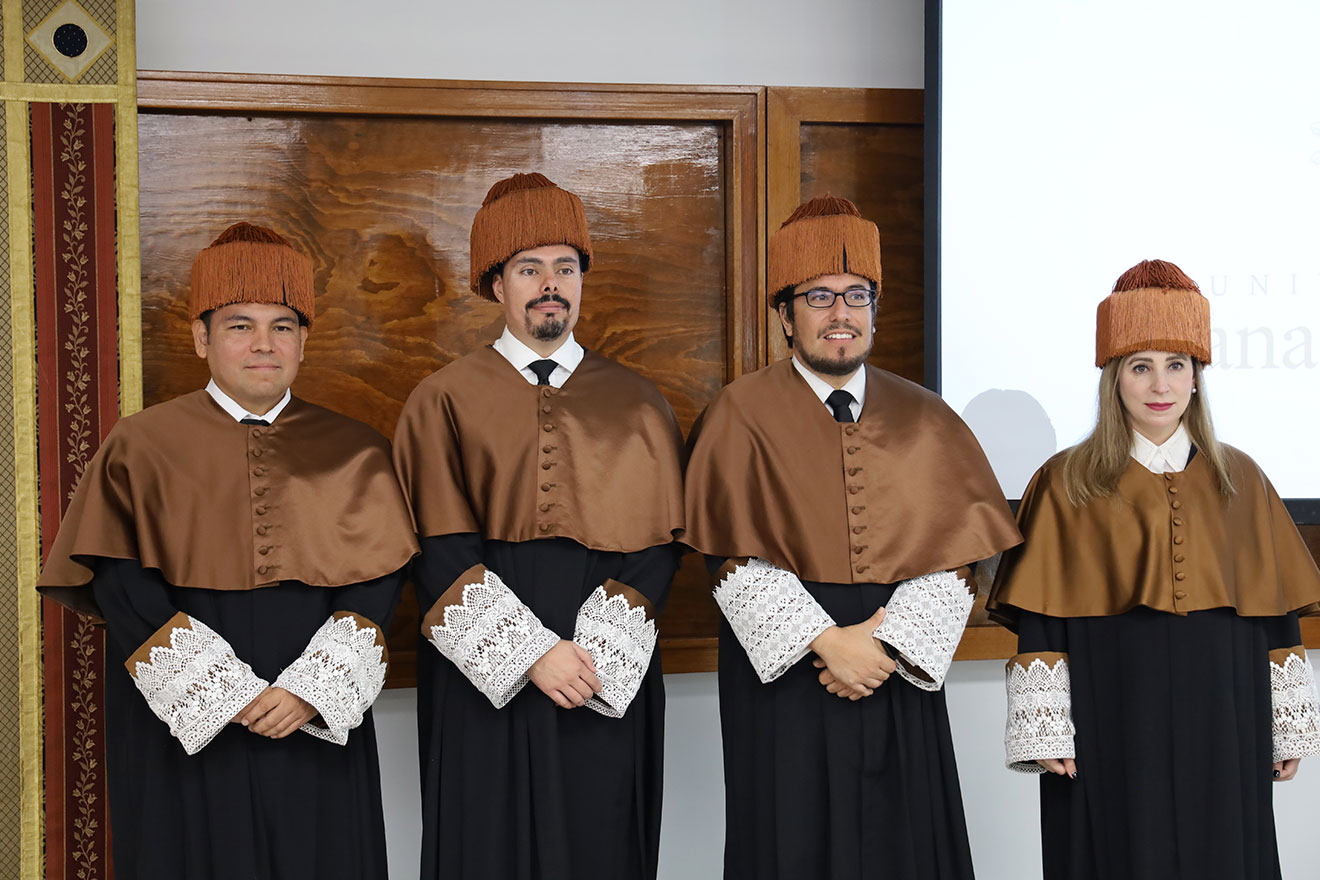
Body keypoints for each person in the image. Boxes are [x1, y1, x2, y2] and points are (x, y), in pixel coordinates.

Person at [37, 222, 419, 880]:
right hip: (183, 726)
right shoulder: (141, 446)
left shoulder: (358, 449)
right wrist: (226, 694)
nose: (264, 344)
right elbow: (121, 585)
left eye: (282, 326)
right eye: (241, 326)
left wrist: (310, 690)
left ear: (303, 341)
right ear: (201, 338)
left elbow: (377, 583)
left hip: (312, 715)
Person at [683, 194, 1022, 880]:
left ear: (874, 308)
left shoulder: (927, 417)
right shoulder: (738, 413)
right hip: (786, 681)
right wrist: (829, 643)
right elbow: (728, 555)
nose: (841, 313)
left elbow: (958, 557)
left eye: (856, 296)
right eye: (819, 297)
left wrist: (882, 646)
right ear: (785, 315)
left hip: (895, 669)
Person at [987, 259, 1320, 880]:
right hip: (1108, 708)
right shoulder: (1065, 480)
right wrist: (1046, 730)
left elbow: (1275, 612)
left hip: (1226, 711)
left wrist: (1287, 726)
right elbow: (1041, 619)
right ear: (1114, 378)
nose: (1160, 384)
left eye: (1177, 365)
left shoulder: (1242, 477)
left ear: (1197, 377)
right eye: (1140, 367)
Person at [393, 172, 685, 880]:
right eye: (529, 269)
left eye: (565, 267)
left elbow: (658, 548)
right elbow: (435, 550)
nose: (550, 284)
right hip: (481, 680)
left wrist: (589, 656)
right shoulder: (441, 400)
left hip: (602, 668)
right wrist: (530, 654)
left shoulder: (640, 403)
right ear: (497, 285)